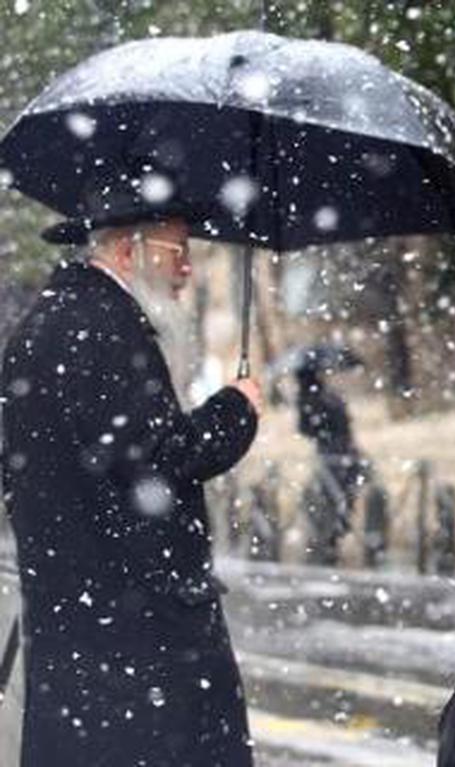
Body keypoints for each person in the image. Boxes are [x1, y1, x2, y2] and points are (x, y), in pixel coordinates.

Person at [1, 209, 263, 765]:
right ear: (128, 251)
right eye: (177, 251)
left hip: (82, 633)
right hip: (135, 641)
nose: (187, 269)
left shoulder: (54, 320)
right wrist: (235, 409)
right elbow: (161, 457)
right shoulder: (100, 327)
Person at [295, 364, 362, 565]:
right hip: (348, 454)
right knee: (339, 498)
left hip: (330, 455)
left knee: (325, 499)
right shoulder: (330, 396)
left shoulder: (309, 399)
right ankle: (334, 538)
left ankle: (328, 543)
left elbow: (305, 429)